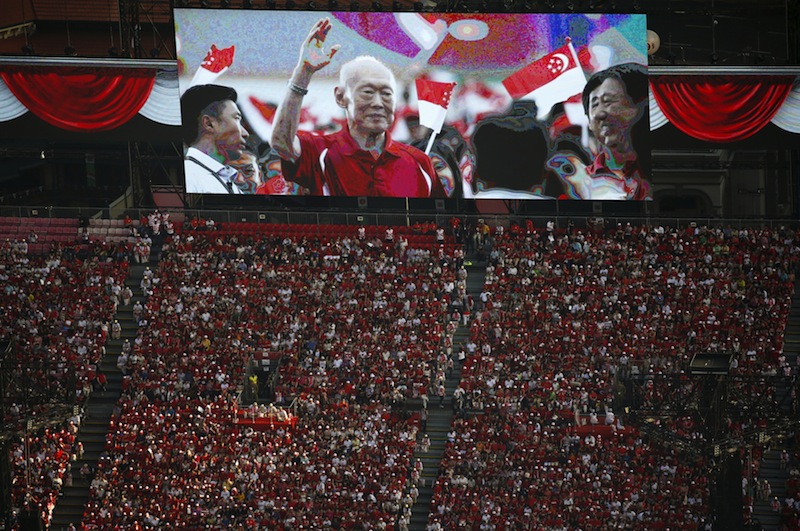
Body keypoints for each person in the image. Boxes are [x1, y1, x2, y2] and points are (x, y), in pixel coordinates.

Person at [271, 18, 445, 198]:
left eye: (386, 93)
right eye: (367, 92)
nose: (378, 103)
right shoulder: (320, 151)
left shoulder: (420, 162)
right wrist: (303, 73)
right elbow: (281, 143)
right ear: (341, 97)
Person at [547, 63, 651, 200]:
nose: (598, 114)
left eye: (608, 101)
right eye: (594, 105)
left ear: (641, 105)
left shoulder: (652, 171)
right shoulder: (578, 186)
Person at [181, 83, 251, 194]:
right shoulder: (188, 176)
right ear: (209, 124)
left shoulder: (234, 187)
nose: (245, 133)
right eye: (236, 118)